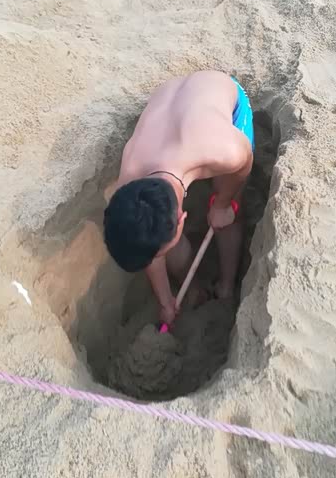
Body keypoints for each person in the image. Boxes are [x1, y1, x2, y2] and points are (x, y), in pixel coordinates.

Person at [104, 71, 254, 326]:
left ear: (182, 219)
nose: (156, 259)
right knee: (157, 237)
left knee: (228, 212)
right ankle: (193, 289)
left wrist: (223, 204)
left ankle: (226, 287)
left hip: (219, 94)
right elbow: (150, 248)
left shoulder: (225, 151)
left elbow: (244, 163)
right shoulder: (127, 183)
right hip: (171, 97)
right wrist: (166, 301)